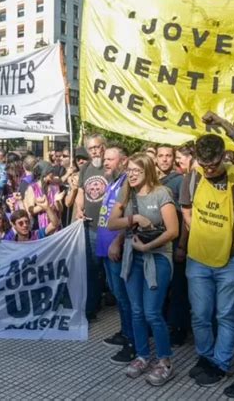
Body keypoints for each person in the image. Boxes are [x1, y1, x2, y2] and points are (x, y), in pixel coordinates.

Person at [180, 134, 234, 387]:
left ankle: (221, 363)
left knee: (227, 314)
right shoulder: (194, 176)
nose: (209, 170)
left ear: (223, 156)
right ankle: (205, 357)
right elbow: (186, 208)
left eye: (214, 165)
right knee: (199, 314)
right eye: (204, 164)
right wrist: (199, 230)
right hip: (198, 257)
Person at [108, 153, 179, 386]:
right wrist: (135, 217)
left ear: (148, 171)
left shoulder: (162, 194)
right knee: (136, 310)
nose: (132, 174)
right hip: (133, 256)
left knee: (152, 312)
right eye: (129, 170)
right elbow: (111, 222)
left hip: (157, 257)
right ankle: (142, 356)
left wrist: (147, 245)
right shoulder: (127, 192)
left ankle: (165, 361)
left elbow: (172, 231)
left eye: (137, 171)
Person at [96, 145, 134, 364]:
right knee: (118, 295)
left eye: (110, 159)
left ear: (123, 160)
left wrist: (117, 242)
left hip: (115, 249)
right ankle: (124, 331)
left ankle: (132, 341)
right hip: (105, 248)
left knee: (125, 297)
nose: (106, 162)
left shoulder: (126, 183)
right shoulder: (112, 182)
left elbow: (129, 216)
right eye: (105, 159)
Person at [156, 144, 189, 346]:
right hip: (157, 244)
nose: (165, 159)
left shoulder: (180, 181)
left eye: (169, 156)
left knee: (178, 289)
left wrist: (182, 246)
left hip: (175, 243)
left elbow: (186, 217)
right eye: (161, 156)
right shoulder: (153, 181)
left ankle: (179, 329)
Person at [75, 134, 109, 320]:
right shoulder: (86, 168)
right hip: (90, 226)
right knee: (91, 268)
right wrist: (79, 209)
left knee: (110, 270)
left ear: (104, 147)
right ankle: (91, 307)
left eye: (97, 147)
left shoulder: (111, 167)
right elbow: (81, 191)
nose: (95, 151)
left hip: (109, 228)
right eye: (91, 148)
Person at [24, 160, 63, 231]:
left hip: (56, 227)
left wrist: (57, 202)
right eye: (50, 172)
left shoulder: (55, 187)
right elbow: (31, 210)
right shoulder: (33, 188)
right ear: (44, 173)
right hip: (40, 228)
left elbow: (60, 209)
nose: (53, 174)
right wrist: (45, 206)